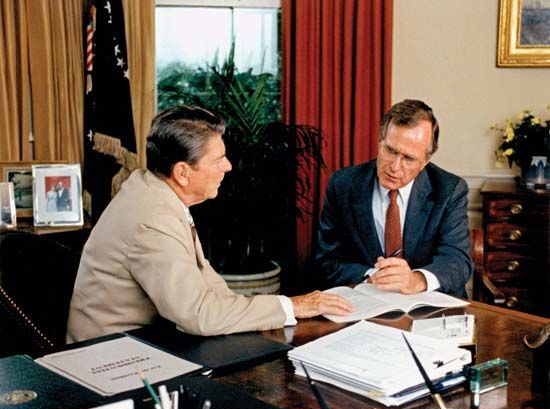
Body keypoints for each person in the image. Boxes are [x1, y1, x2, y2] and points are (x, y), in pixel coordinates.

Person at [67, 105, 352, 343]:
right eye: (218, 159)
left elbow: (208, 286)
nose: (228, 166)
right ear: (182, 172)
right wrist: (294, 306)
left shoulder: (152, 189)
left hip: (149, 340)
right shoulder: (154, 221)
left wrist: (281, 308)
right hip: (112, 359)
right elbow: (201, 315)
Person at [315, 99, 472, 296]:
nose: (395, 167)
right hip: (366, 302)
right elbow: (327, 260)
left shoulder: (450, 190)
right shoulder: (343, 185)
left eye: (409, 158)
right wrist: (373, 276)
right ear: (380, 143)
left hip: (429, 307)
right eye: (390, 151)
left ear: (425, 161)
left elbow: (457, 260)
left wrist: (415, 280)